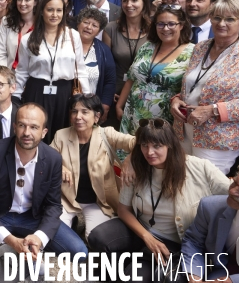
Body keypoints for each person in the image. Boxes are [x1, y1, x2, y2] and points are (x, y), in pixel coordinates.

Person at [89, 118, 231, 283]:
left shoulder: (200, 167)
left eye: (157, 146)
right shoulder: (138, 166)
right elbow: (123, 209)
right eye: (144, 145)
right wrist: (147, 237)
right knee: (98, 237)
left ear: (170, 144)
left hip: (179, 244)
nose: (149, 152)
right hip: (143, 232)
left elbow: (234, 194)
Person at [0, 103, 87, 274]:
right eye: (22, 125)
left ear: (44, 132)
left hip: (32, 216)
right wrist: (10, 240)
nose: (27, 133)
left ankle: (19, 252)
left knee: (80, 252)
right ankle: (8, 252)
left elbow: (53, 205)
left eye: (34, 127)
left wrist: (39, 237)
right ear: (14, 127)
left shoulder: (53, 159)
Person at [171, 0, 239, 174]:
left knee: (203, 191)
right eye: (217, 17)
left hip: (218, 139)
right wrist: (176, 100)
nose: (221, 23)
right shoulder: (201, 47)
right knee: (180, 184)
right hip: (183, 131)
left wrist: (212, 110)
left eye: (230, 19)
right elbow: (193, 85)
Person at [51, 94, 135, 239]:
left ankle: (79, 228)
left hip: (97, 203)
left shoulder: (106, 134)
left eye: (85, 112)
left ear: (96, 117)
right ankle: (74, 226)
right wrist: (59, 166)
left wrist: (129, 159)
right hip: (66, 201)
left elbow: (139, 142)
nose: (78, 116)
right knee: (55, 235)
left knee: (96, 238)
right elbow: (46, 158)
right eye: (74, 111)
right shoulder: (61, 135)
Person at [14, 0, 89, 142]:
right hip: (36, 91)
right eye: (50, 10)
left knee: (63, 134)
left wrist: (87, 96)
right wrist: (15, 97)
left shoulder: (73, 36)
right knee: (36, 132)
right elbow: (22, 71)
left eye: (59, 10)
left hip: (64, 92)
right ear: (42, 11)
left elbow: (80, 69)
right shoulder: (28, 39)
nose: (55, 14)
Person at [117, 4, 194, 135]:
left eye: (171, 24)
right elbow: (131, 78)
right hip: (133, 113)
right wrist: (119, 105)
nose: (165, 28)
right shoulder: (147, 46)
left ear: (181, 25)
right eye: (161, 24)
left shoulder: (193, 52)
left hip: (164, 121)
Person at [181, 160, 239, 281]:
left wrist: (232, 281)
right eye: (234, 183)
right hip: (221, 272)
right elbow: (193, 242)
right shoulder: (210, 207)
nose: (232, 191)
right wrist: (194, 276)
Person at [103, 0, 150, 126]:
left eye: (134, 0)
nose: (129, 5)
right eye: (125, 1)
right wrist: (109, 92)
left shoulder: (154, 30)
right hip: (115, 92)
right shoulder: (111, 28)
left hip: (144, 92)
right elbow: (106, 65)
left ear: (144, 2)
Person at [76, 8, 116, 120]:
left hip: (91, 108)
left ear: (98, 31)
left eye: (94, 25)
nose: (89, 27)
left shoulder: (104, 50)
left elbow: (110, 81)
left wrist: (105, 106)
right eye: (86, 22)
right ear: (78, 24)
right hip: (64, 105)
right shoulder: (64, 45)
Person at [0, 0, 40, 69]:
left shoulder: (41, 24)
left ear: (35, 2)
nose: (22, 3)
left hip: (33, 75)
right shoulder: (7, 22)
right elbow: (1, 53)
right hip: (10, 73)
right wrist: (5, 74)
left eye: (27, 0)